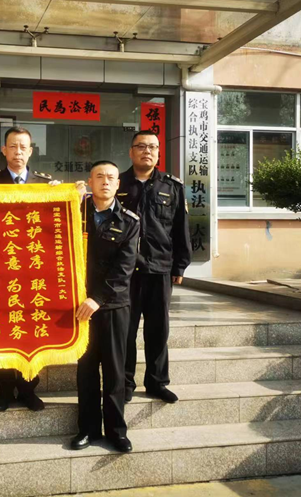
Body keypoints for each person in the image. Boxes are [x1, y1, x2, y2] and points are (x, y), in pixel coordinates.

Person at [0, 126, 53, 412]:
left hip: (34, 273)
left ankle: (28, 389)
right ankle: (4, 391)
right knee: (3, 331)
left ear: (31, 151)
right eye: (13, 146)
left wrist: (70, 194)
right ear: (3, 150)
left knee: (32, 331)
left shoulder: (46, 184)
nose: (18, 151)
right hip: (1, 272)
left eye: (23, 147)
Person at [117, 130, 192, 404]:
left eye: (152, 147)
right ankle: (125, 383)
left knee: (158, 330)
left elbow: (181, 228)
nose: (146, 151)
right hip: (125, 272)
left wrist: (179, 266)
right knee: (125, 330)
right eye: (141, 146)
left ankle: (157, 382)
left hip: (160, 268)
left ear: (159, 153)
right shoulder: (117, 183)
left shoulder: (172, 186)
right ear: (131, 152)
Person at [70, 161, 139, 453]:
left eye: (111, 177)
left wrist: (97, 298)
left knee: (114, 371)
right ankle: (87, 429)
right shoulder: (73, 213)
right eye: (99, 177)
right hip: (79, 308)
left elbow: (124, 268)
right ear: (90, 181)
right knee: (86, 370)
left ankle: (116, 432)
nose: (105, 182)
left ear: (118, 184)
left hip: (112, 307)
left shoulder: (129, 221)